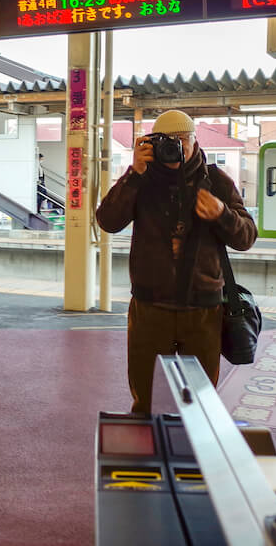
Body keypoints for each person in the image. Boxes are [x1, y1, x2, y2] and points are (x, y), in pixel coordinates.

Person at [96, 110, 257, 414]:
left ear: (196, 140)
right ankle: (149, 455)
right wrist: (133, 173)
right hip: (150, 308)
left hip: (204, 309)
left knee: (202, 400)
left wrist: (222, 213)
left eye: (184, 139)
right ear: (153, 143)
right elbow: (107, 221)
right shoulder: (141, 180)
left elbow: (246, 237)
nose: (178, 147)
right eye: (169, 141)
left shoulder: (217, 181)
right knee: (145, 399)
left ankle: (194, 456)